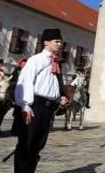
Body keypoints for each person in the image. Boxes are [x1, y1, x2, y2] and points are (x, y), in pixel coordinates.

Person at [12, 28, 69, 173]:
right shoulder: (36, 60)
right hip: (35, 106)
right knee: (26, 144)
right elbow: (26, 82)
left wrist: (59, 97)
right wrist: (26, 105)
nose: (59, 44)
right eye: (56, 41)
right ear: (46, 43)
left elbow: (50, 84)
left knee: (38, 145)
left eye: (60, 41)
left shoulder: (56, 63)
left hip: (48, 108)